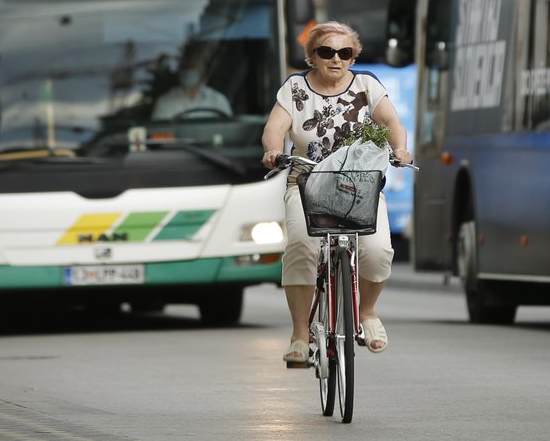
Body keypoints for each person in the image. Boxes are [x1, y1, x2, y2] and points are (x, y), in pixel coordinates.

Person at [261, 20, 413, 365]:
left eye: (345, 53)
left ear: (353, 58)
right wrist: (273, 150)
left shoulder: (367, 85)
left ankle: (368, 313)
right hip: (307, 183)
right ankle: (300, 335)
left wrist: (400, 149)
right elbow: (275, 128)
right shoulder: (295, 88)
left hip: (359, 183)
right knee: (301, 246)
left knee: (377, 249)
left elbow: (392, 123)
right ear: (311, 56)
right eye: (326, 52)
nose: (336, 59)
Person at [151, 47, 232, 120]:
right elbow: (159, 134)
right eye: (185, 66)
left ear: (202, 69)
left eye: (193, 66)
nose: (188, 71)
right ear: (179, 70)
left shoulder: (218, 100)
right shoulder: (165, 102)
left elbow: (230, 131)